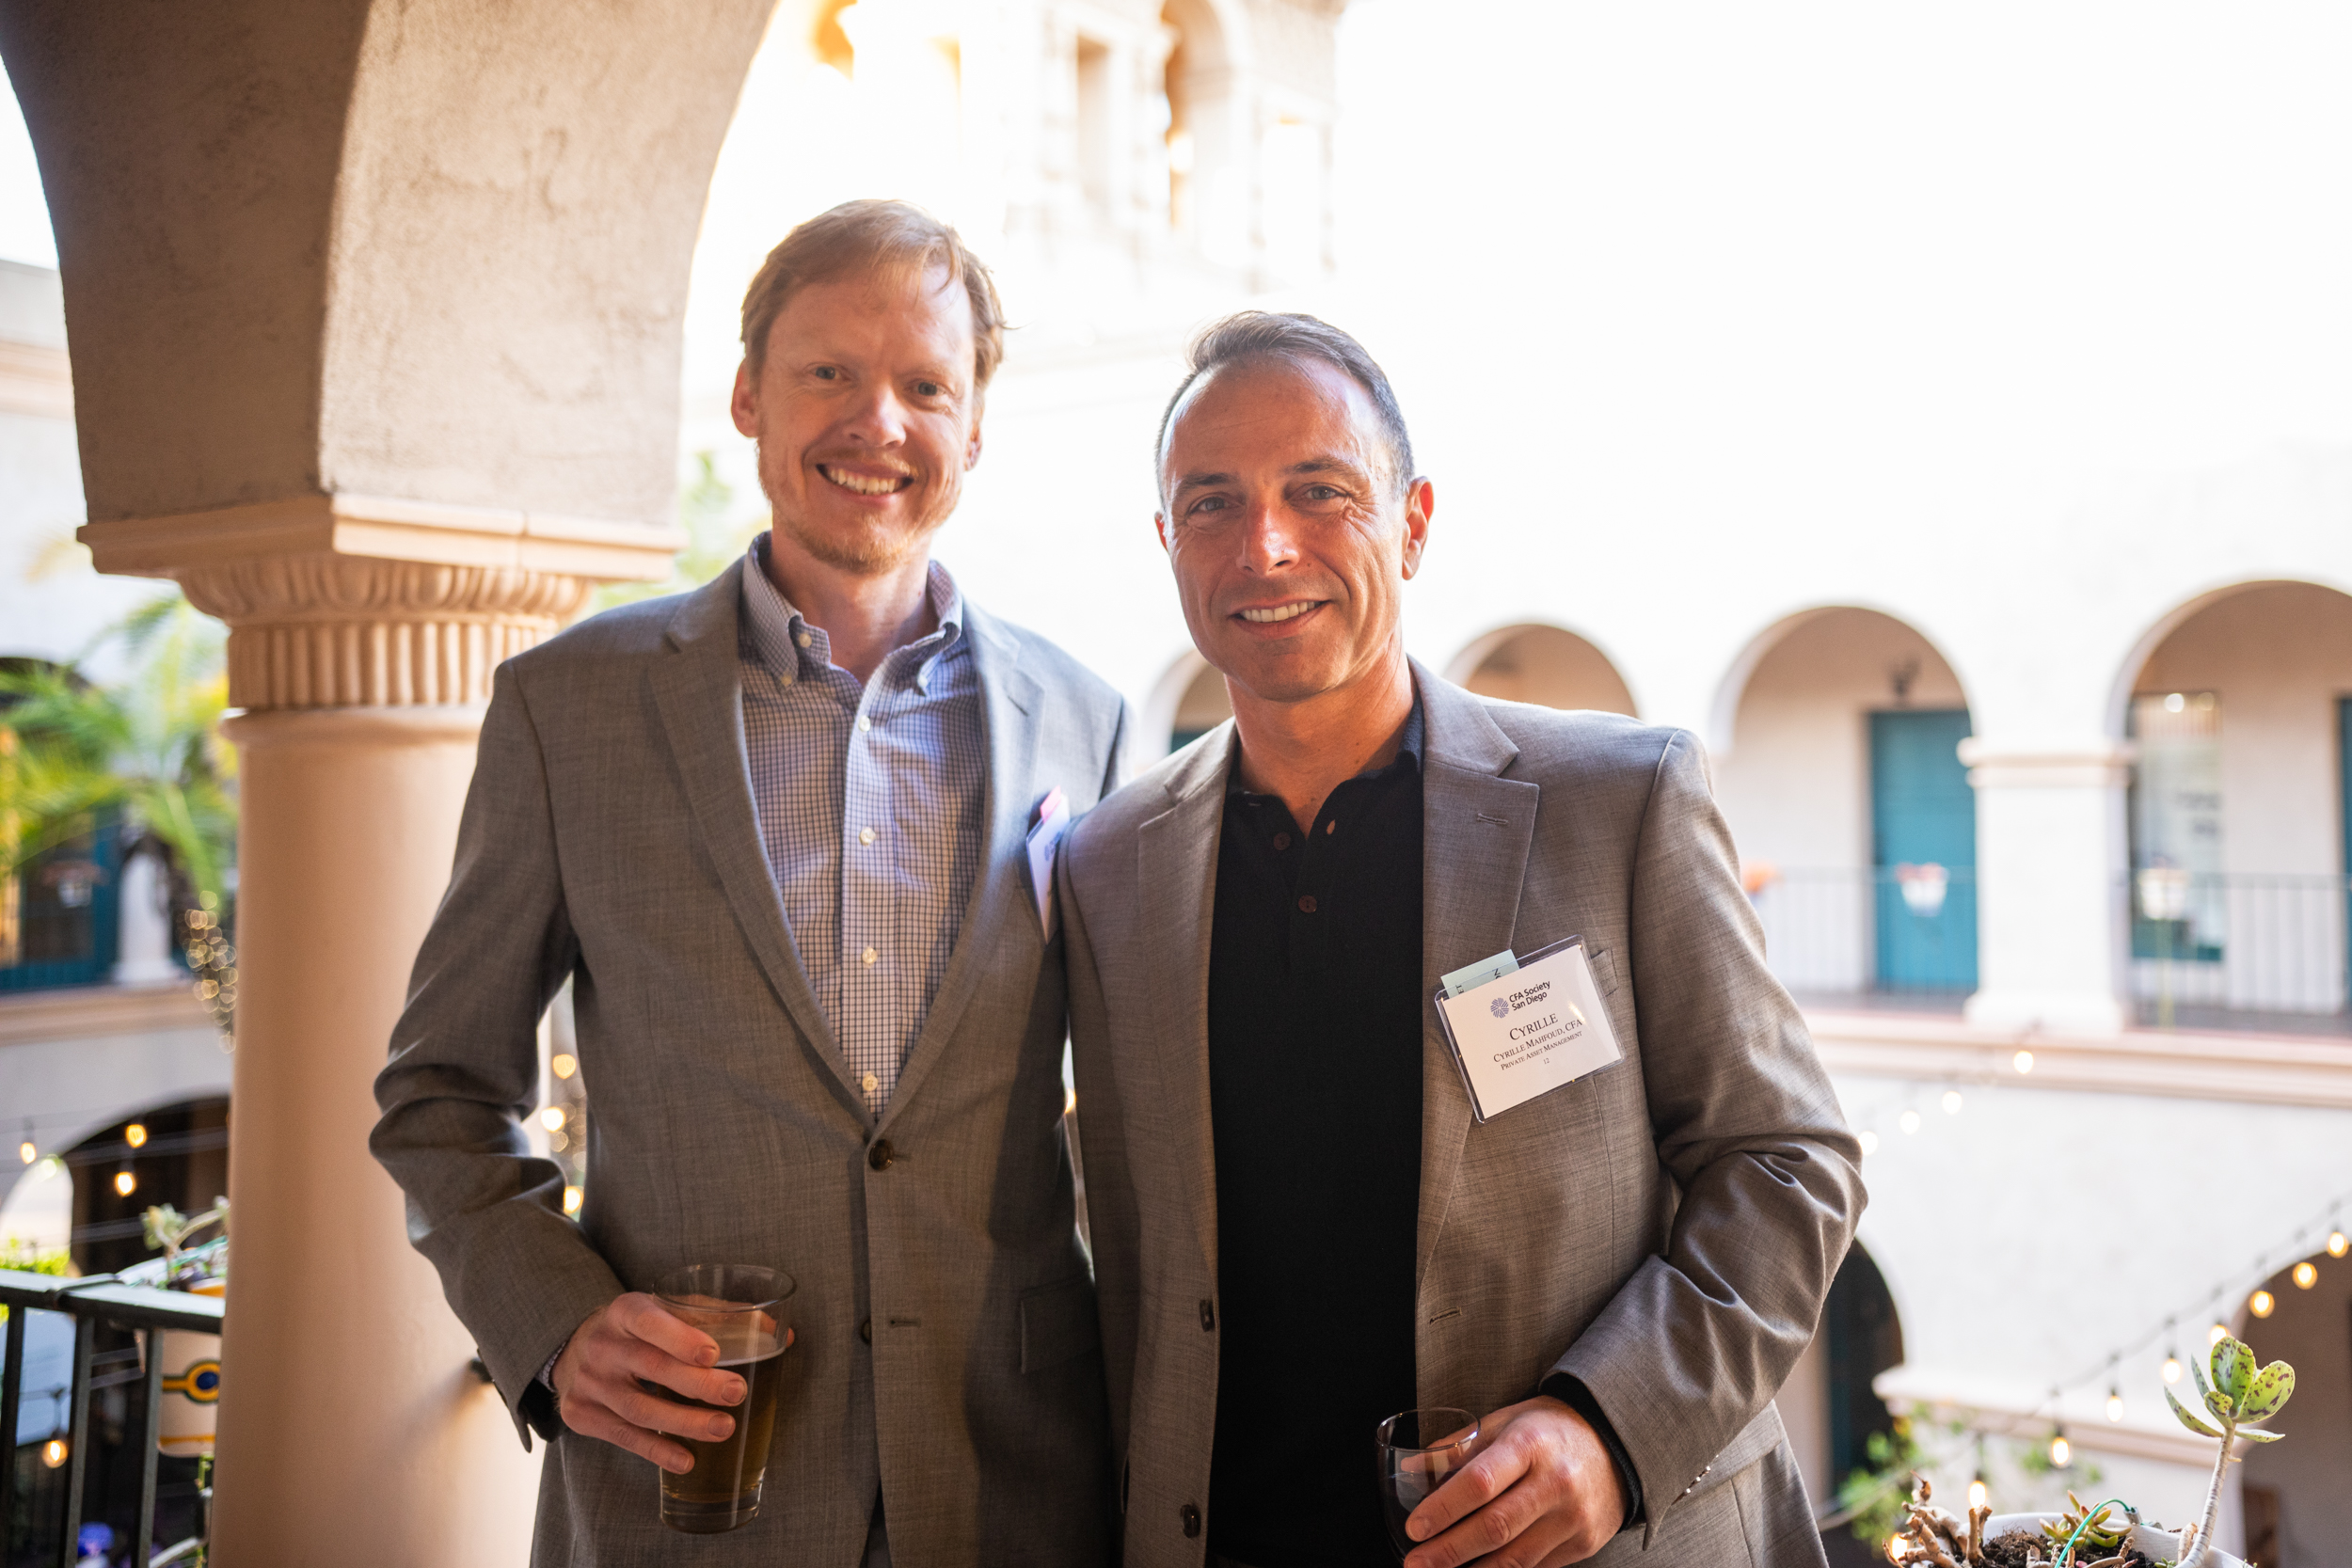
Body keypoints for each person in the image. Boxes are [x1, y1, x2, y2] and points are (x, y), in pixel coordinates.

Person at [373, 200, 1125, 1567]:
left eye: (926, 386)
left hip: (1015, 1489)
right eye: (828, 371)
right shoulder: (569, 710)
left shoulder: (1089, 722)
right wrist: (554, 1322)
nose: (878, 421)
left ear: (973, 431)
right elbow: (441, 1094)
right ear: (747, 398)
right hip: (687, 1489)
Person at [1060, 312, 1865, 1568]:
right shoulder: (1108, 865)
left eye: (1320, 491)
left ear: (1414, 523)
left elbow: (1788, 1160)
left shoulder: (1616, 800)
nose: (1266, 546)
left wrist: (1612, 1430)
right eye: (1212, 503)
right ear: (1169, 542)